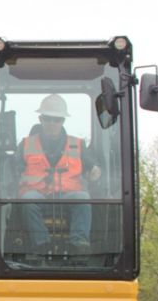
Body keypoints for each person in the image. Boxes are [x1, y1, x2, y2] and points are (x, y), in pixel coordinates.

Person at [12, 95, 97, 255]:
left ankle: (78, 243)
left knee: (83, 198)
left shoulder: (78, 144)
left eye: (57, 119)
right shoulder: (25, 144)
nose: (52, 123)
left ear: (63, 121)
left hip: (68, 197)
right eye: (48, 118)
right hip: (38, 197)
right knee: (28, 199)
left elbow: (93, 167)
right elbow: (12, 170)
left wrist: (95, 171)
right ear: (41, 119)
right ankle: (41, 244)